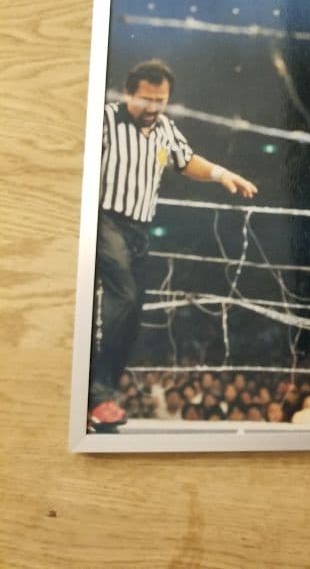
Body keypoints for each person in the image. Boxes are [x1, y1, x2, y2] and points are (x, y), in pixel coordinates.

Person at [89, 59, 258, 432]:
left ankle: (101, 398)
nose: (153, 107)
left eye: (160, 100)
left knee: (132, 313)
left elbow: (186, 160)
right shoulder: (105, 119)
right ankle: (97, 396)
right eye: (146, 99)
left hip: (139, 228)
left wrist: (221, 174)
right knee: (124, 298)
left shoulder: (165, 128)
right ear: (128, 93)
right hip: (104, 220)